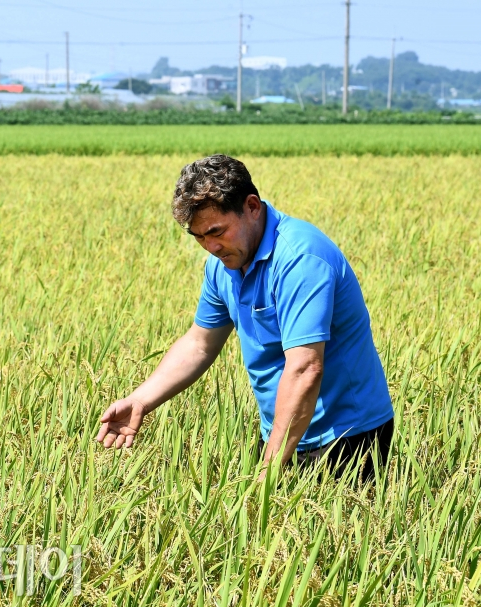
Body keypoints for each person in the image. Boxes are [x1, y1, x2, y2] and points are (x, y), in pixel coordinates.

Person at [96, 154, 394, 483]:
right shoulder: (224, 265)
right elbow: (199, 344)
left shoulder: (300, 259)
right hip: (283, 432)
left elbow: (305, 368)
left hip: (347, 436)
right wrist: (140, 400)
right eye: (199, 236)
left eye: (216, 231)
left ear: (252, 206)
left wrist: (268, 471)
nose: (210, 247)